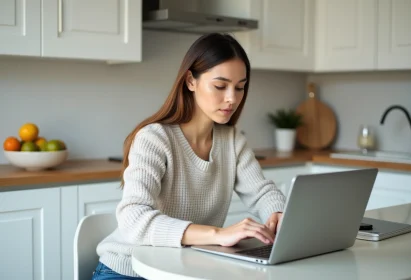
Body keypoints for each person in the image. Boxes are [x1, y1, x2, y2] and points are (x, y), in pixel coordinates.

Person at [92, 33, 286, 280]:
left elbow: (262, 192)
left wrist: (278, 214)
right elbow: (133, 218)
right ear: (190, 81)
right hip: (128, 270)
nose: (232, 98)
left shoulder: (232, 140)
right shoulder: (154, 138)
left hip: (185, 268)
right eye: (220, 86)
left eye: (240, 87)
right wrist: (217, 234)